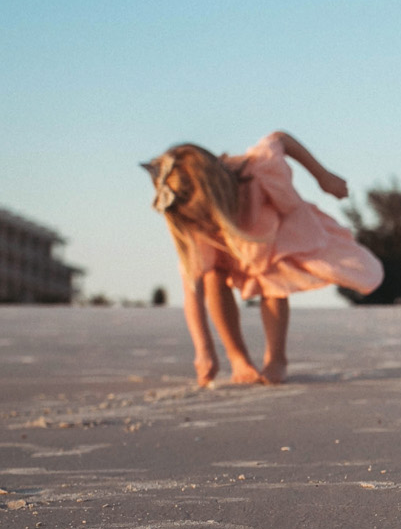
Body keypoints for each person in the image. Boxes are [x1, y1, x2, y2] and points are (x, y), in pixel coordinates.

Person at [143, 132, 383, 386]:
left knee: (272, 277)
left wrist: (323, 176)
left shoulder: (255, 168)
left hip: (261, 225)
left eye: (209, 215)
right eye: (201, 219)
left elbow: (281, 138)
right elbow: (193, 289)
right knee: (212, 274)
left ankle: (276, 358)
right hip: (222, 245)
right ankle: (238, 359)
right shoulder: (194, 225)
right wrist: (203, 350)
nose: (207, 221)